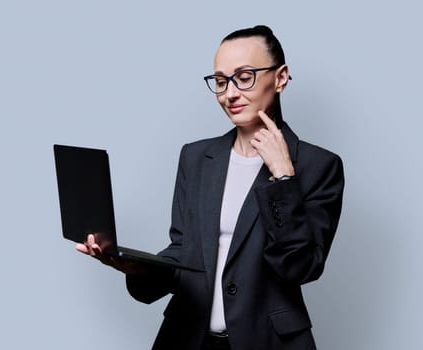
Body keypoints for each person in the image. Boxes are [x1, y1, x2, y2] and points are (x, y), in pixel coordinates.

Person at [76, 25, 344, 350]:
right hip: (188, 337)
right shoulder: (196, 158)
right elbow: (183, 253)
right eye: (220, 81)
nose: (230, 93)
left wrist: (284, 178)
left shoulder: (318, 166)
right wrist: (135, 266)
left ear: (281, 77)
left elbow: (299, 267)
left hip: (268, 341)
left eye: (244, 77)